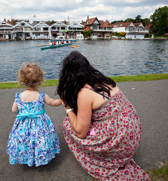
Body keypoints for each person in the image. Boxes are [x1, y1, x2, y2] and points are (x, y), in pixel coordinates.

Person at [57, 51, 150, 180]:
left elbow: (80, 132)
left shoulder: (84, 92)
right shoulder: (103, 81)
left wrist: (67, 108)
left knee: (68, 124)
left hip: (120, 142)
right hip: (132, 135)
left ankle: (98, 160)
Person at [7, 63, 61, 167]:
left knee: (25, 140)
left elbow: (14, 110)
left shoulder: (19, 96)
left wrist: (21, 113)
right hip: (40, 124)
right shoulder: (41, 95)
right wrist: (62, 100)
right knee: (41, 139)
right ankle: (40, 156)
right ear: (40, 80)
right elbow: (54, 103)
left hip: (23, 124)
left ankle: (27, 156)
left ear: (22, 80)